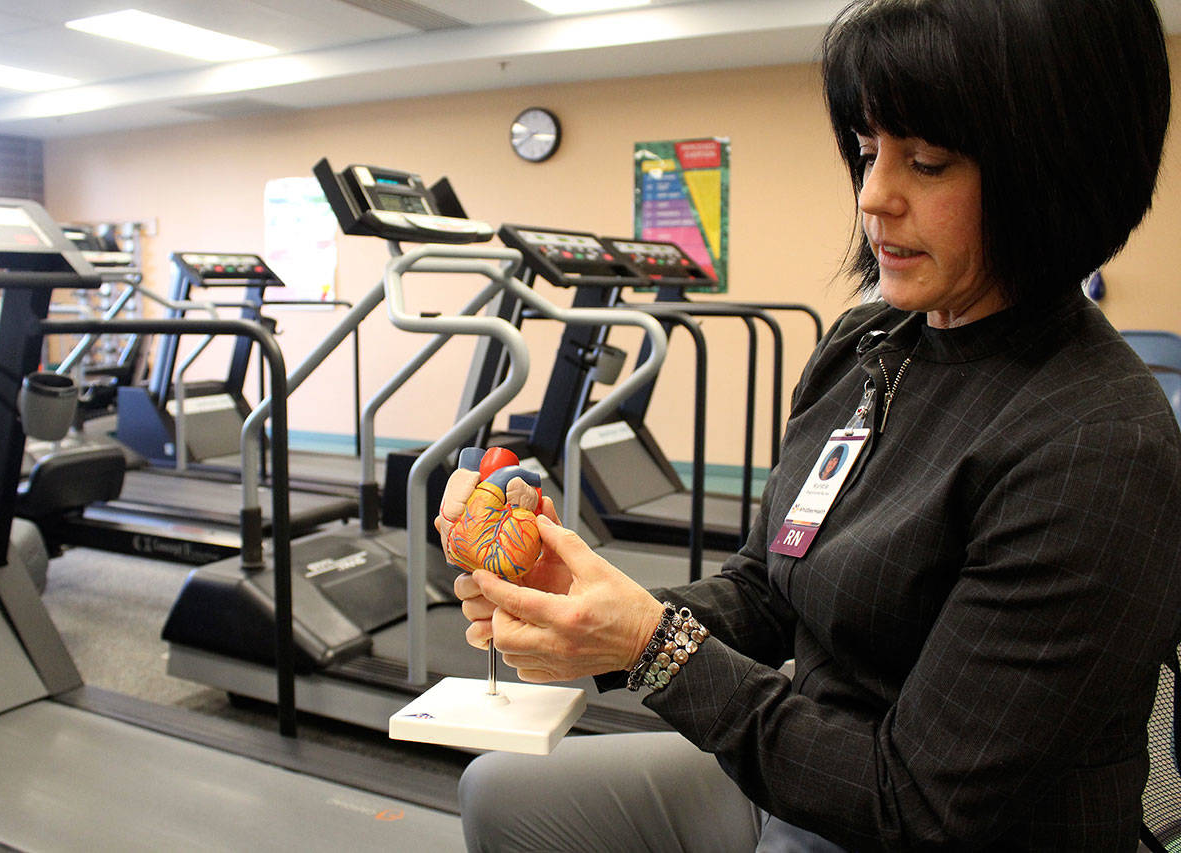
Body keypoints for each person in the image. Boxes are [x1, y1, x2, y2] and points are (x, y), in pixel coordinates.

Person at [438, 0, 1181, 849]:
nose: (874, 197)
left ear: (1051, 173)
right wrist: (587, 613)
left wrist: (654, 647)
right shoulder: (865, 347)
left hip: (899, 815)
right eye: (868, 154)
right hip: (804, 767)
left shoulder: (1095, 446)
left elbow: (915, 805)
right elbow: (766, 588)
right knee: (501, 789)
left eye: (928, 163)